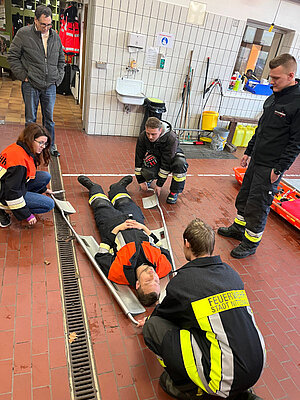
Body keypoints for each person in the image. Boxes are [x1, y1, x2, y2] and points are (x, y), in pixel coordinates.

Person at [141, 218, 265, 400]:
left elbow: (164, 315)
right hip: (256, 366)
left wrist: (149, 320)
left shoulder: (182, 282)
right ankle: (240, 391)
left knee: (153, 328)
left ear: (187, 244)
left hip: (225, 377)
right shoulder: (231, 273)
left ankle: (189, 389)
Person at [218, 54, 300, 258]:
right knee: (245, 196)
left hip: (271, 165)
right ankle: (239, 228)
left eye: (276, 78)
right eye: (270, 77)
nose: (271, 82)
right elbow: (261, 128)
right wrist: (248, 151)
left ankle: (250, 243)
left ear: (291, 75)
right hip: (257, 159)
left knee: (259, 204)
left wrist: (279, 170)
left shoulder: (297, 103)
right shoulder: (274, 96)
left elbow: (296, 143)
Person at [77, 174, 173, 306]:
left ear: (137, 284)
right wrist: (145, 229)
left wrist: (116, 230)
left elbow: (101, 254)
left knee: (100, 202)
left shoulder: (119, 272)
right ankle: (119, 187)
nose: (153, 276)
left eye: (147, 282)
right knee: (123, 200)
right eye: (156, 282)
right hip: (136, 222)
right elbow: (162, 248)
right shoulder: (163, 267)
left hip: (111, 225)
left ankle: (93, 186)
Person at [7, 5, 65, 157]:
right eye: (43, 24)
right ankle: (29, 148)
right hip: (31, 84)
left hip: (50, 85)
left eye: (49, 24)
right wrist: (23, 76)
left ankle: (49, 146)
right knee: (30, 120)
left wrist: (58, 78)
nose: (46, 28)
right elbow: (12, 56)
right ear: (35, 21)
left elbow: (61, 59)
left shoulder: (55, 36)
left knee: (49, 120)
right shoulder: (23, 34)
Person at [0, 123, 55, 227]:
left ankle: (22, 201)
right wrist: (27, 215)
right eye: (41, 143)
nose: (43, 147)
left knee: (45, 177)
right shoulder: (19, 162)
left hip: (7, 185)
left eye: (45, 144)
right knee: (48, 204)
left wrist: (42, 189)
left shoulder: (21, 148)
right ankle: (3, 208)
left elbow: (24, 177)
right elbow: (12, 192)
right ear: (31, 140)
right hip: (4, 194)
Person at [135, 117, 188, 204]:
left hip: (172, 157)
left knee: (180, 164)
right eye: (148, 133)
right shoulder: (143, 136)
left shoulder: (171, 138)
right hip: (158, 156)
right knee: (148, 163)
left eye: (153, 134)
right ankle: (149, 179)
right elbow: (138, 158)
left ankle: (174, 192)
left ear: (160, 130)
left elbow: (166, 162)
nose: (150, 137)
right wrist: (140, 180)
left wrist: (159, 184)